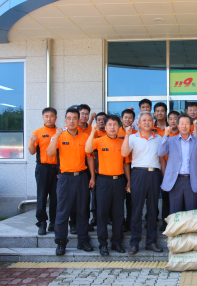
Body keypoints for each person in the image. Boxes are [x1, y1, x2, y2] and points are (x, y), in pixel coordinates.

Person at [47, 107, 95, 256]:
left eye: (75, 118)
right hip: (65, 178)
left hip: (81, 177)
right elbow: (50, 153)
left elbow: (89, 157)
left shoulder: (84, 136)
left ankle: (82, 240)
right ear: (65, 120)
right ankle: (61, 242)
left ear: (79, 119)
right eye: (69, 118)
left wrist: (92, 176)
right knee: (63, 211)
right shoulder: (59, 136)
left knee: (82, 210)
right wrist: (56, 136)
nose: (72, 120)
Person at [122, 111, 166, 255]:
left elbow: (162, 159)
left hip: (154, 174)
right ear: (138, 123)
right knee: (136, 209)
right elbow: (124, 153)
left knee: (153, 210)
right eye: (144, 120)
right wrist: (127, 135)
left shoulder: (159, 138)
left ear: (153, 123)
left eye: (149, 120)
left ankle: (150, 242)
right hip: (138, 174)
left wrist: (164, 178)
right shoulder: (133, 137)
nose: (147, 122)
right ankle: (134, 243)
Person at [85, 115, 130, 256]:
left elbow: (126, 163)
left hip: (119, 181)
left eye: (115, 124)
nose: (112, 127)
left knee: (118, 214)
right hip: (103, 181)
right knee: (102, 213)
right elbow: (87, 150)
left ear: (118, 126)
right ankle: (103, 244)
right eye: (109, 124)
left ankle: (117, 242)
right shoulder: (99, 141)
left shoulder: (123, 142)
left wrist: (128, 180)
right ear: (105, 126)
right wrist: (92, 131)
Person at [158, 114, 197, 214]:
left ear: (191, 126)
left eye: (187, 124)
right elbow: (161, 152)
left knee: (191, 211)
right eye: (182, 124)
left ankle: (190, 230)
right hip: (175, 181)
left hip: (192, 180)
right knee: (175, 211)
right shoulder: (171, 140)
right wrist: (166, 135)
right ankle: (175, 230)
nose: (184, 126)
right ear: (178, 125)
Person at [28, 107, 59, 235]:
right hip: (43, 168)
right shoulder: (38, 132)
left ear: (56, 117)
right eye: (46, 116)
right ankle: (42, 222)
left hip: (57, 168)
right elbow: (31, 151)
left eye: (51, 116)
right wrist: (32, 141)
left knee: (55, 196)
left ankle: (54, 222)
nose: (49, 118)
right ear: (43, 118)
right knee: (41, 195)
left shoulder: (60, 132)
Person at [158, 110, 180, 232]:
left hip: (180, 173)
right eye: (170, 118)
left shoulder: (183, 134)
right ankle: (165, 222)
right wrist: (165, 174)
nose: (173, 121)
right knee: (166, 199)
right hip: (166, 171)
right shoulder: (164, 134)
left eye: (175, 118)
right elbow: (161, 157)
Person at [118, 108, 137, 232]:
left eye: (130, 118)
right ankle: (119, 222)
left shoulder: (137, 133)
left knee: (131, 198)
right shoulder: (115, 132)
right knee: (118, 198)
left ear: (133, 120)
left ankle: (130, 222)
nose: (127, 120)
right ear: (121, 119)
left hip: (133, 168)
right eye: (125, 117)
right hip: (118, 168)